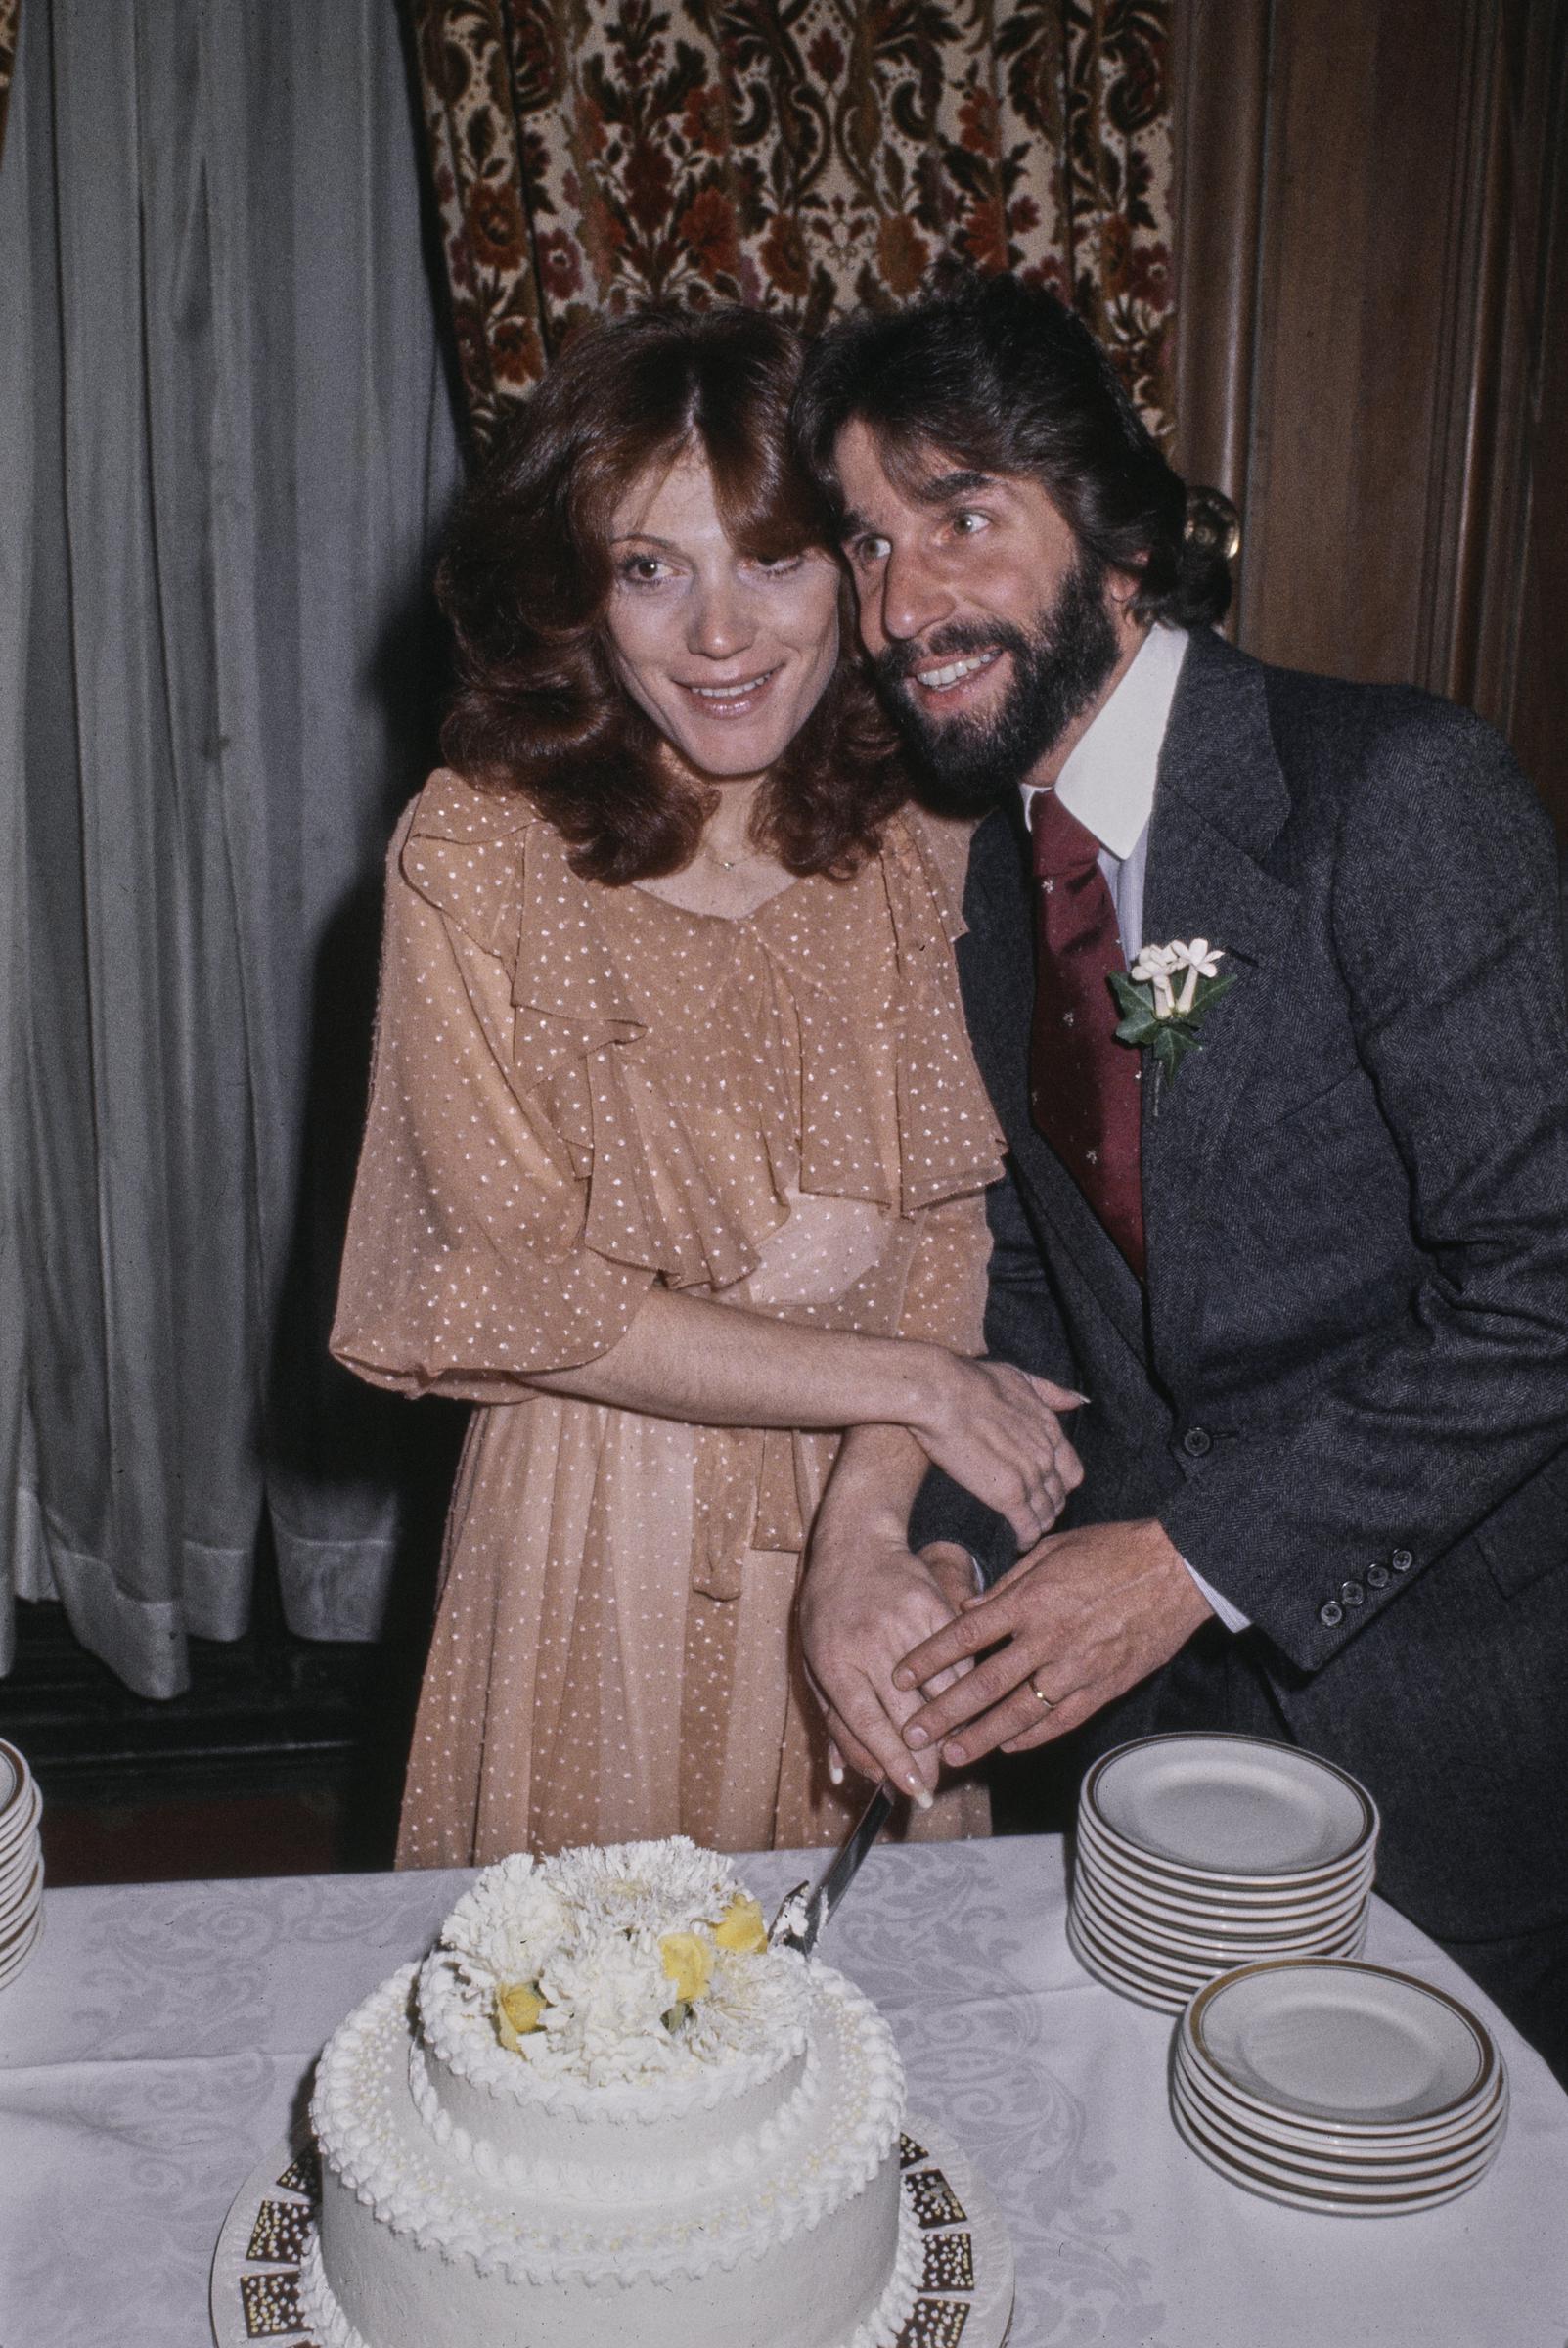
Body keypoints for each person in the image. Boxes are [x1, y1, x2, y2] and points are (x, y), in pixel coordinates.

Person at [792, 272, 1568, 2074]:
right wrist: (949, 1559)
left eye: (962, 517)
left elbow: (1546, 1281)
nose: (903, 606)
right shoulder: (996, 886)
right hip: (1145, 1774)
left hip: (1457, 1757)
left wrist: (1194, 1564)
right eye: (869, 545)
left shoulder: (1393, 792)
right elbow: (1050, 1293)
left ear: (1123, 545)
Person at [330, 303, 1084, 1866]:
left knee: (875, 2059)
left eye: (775, 557)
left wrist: (874, 1518)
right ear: (579, 595)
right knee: (592, 2040)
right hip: (596, 1536)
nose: (720, 635)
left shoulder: (914, 841)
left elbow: (944, 1241)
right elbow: (509, 1291)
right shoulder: (475, 852)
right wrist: (920, 1386)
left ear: (862, 577)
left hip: (874, 1546)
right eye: (652, 567)